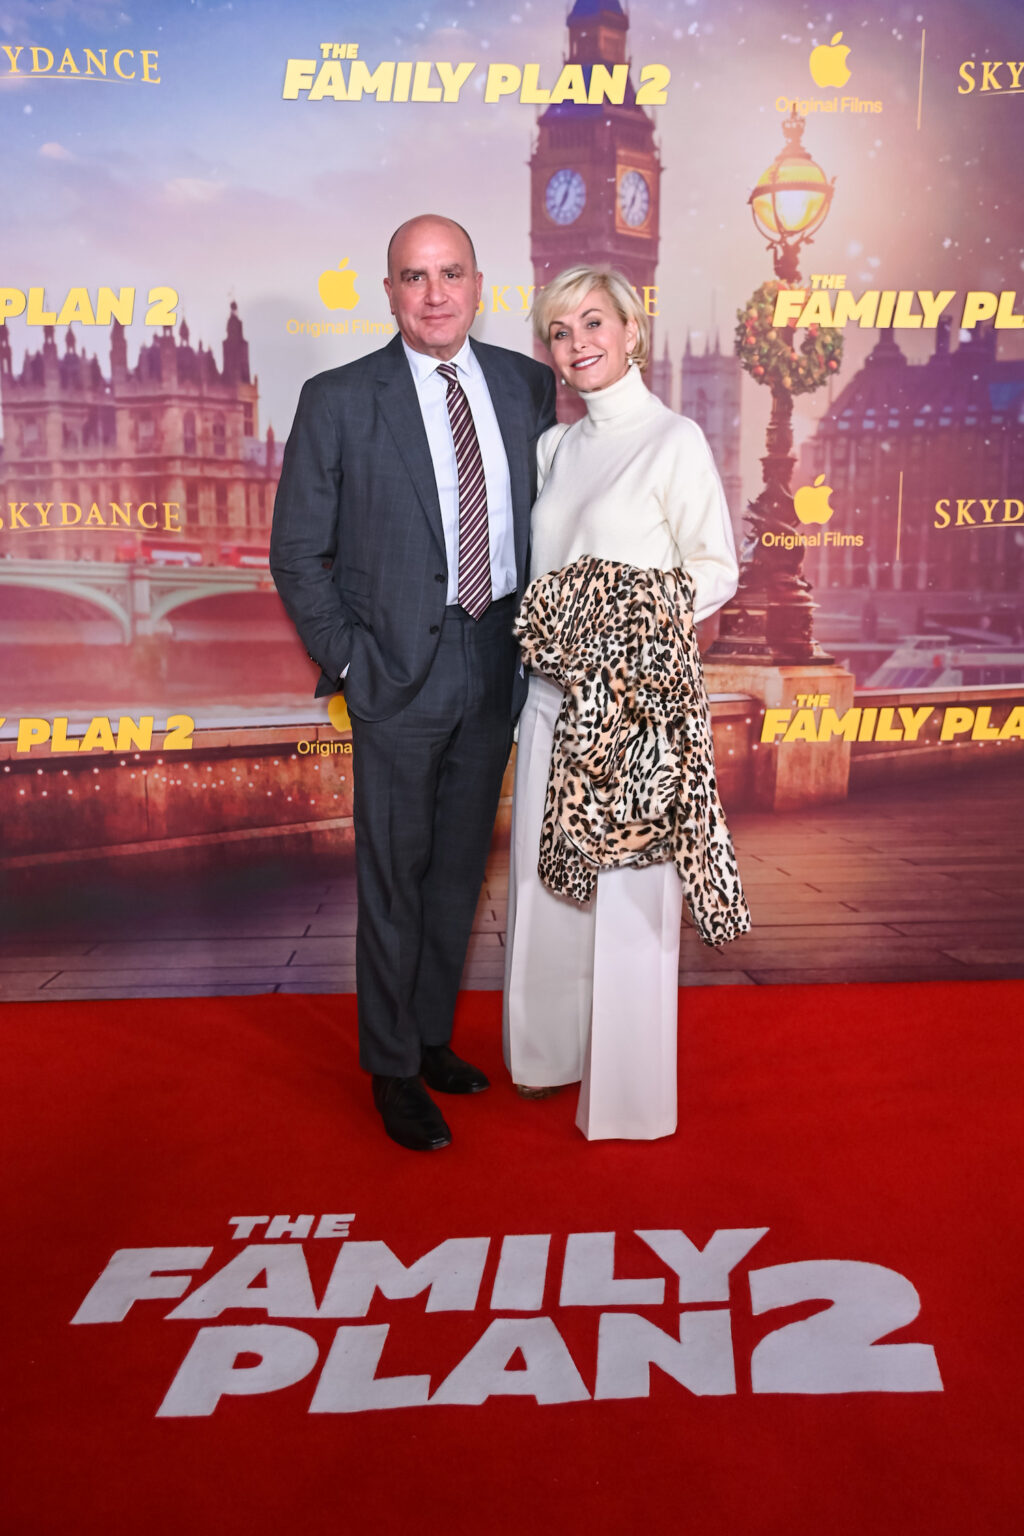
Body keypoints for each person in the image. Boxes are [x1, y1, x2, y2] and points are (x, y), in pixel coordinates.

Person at [271, 215, 557, 1151]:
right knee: (392, 878)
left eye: (450, 274)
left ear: (480, 284)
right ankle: (391, 1069)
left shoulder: (529, 386)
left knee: (454, 874)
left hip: (495, 665)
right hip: (395, 672)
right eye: (413, 276)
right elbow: (297, 555)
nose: (434, 294)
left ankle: (432, 1038)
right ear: (387, 291)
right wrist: (353, 660)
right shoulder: (339, 398)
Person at [502, 264, 740, 1141]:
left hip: (633, 710)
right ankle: (545, 1056)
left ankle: (630, 1098)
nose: (578, 345)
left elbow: (715, 570)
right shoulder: (554, 448)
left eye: (594, 323)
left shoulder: (674, 440)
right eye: (560, 333)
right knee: (541, 883)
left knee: (633, 898)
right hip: (547, 703)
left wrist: (619, 626)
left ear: (633, 331)